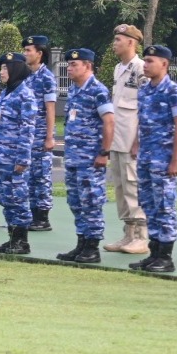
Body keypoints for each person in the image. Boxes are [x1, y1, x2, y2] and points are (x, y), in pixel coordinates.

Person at [129, 43, 177, 273]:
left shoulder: (173, 91)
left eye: (150, 61)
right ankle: (154, 254)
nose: (146, 64)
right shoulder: (145, 90)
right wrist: (135, 143)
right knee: (149, 205)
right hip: (146, 158)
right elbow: (141, 121)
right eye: (145, 60)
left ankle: (166, 257)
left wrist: (176, 159)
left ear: (164, 64)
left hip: (164, 159)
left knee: (165, 206)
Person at [57, 47, 114, 263]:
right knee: (75, 201)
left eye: (74, 64)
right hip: (73, 156)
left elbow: (109, 121)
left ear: (88, 66)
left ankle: (92, 246)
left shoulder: (97, 90)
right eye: (69, 64)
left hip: (91, 158)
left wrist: (104, 152)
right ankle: (81, 243)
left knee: (91, 201)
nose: (70, 68)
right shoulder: (74, 89)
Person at [103, 24, 148, 253]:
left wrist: (139, 140)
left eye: (119, 39)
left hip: (132, 141)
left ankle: (141, 236)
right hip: (118, 139)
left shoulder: (141, 68)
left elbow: (146, 107)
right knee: (120, 187)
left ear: (131, 42)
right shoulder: (119, 69)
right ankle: (128, 234)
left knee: (133, 186)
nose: (115, 43)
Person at [0, 52, 37, 254]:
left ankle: (21, 240)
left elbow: (27, 129)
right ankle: (12, 237)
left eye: (5, 68)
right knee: (5, 197)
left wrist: (23, 158)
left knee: (17, 198)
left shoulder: (24, 94)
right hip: (1, 155)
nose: (1, 72)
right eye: (0, 68)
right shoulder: (7, 93)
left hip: (15, 157)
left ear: (16, 70)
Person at [21, 35, 58, 231]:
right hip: (27, 135)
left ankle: (42, 217)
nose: (25, 53)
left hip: (41, 134)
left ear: (40, 54)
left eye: (29, 50)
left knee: (41, 176)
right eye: (25, 50)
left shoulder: (47, 78)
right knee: (28, 176)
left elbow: (51, 108)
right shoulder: (26, 75)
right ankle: (32, 215)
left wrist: (50, 136)